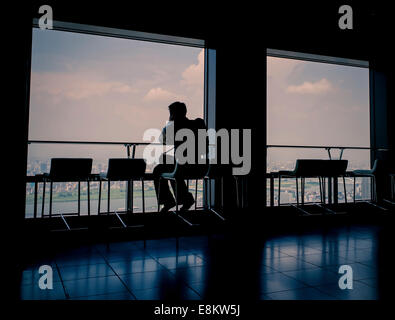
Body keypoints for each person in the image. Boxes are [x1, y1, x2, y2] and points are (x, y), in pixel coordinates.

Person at [153, 101, 206, 213]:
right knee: (173, 166)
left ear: (172, 114)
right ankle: (185, 199)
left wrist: (170, 123)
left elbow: (162, 141)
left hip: (184, 167)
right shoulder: (198, 123)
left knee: (158, 169)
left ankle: (170, 201)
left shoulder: (173, 127)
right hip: (202, 167)